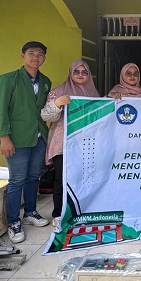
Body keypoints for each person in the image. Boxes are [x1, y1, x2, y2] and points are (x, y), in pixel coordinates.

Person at [0, 41, 51, 243]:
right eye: (31, 53)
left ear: (44, 58)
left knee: (34, 177)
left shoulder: (45, 81)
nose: (36, 57)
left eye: (40, 54)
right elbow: (0, 110)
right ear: (23, 56)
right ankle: (13, 222)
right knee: (17, 180)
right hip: (16, 139)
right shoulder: (8, 79)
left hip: (38, 137)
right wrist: (4, 137)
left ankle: (30, 212)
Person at [41, 60, 100, 231]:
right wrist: (57, 103)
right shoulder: (59, 92)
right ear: (70, 73)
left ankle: (80, 211)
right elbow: (46, 116)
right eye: (77, 72)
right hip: (63, 144)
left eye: (84, 72)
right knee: (61, 179)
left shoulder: (93, 94)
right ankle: (58, 214)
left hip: (85, 144)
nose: (80, 75)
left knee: (83, 178)